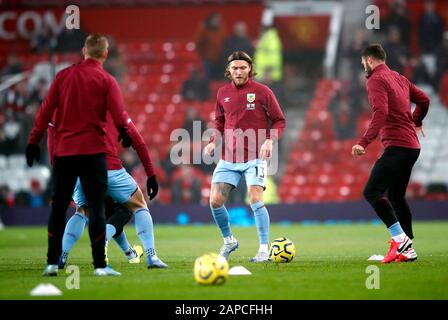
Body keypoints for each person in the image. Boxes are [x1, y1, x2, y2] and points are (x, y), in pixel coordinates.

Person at [26, 33, 133, 276]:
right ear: (105, 54)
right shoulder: (107, 81)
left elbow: (44, 112)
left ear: (84, 51)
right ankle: (100, 266)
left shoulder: (63, 76)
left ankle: (52, 263)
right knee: (96, 208)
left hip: (64, 152)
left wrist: (34, 141)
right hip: (93, 152)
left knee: (59, 207)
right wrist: (125, 134)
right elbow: (118, 115)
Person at [203, 51, 286, 262]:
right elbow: (219, 121)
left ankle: (263, 250)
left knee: (256, 198)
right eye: (235, 68)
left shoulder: (263, 92)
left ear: (250, 68)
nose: (239, 71)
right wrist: (213, 141)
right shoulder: (222, 93)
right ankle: (229, 240)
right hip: (229, 158)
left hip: (255, 157)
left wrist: (269, 140)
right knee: (215, 201)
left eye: (242, 67)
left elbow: (279, 120)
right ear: (229, 71)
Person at [57, 113, 167, 270]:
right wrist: (151, 175)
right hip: (109, 168)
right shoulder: (113, 109)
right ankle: (151, 256)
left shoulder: (76, 110)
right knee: (138, 205)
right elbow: (140, 143)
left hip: (79, 171)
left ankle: (61, 256)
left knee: (82, 211)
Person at [352, 44, 430, 264]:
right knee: (396, 197)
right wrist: (416, 121)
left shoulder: (376, 79)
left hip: (398, 146)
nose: (363, 67)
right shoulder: (398, 77)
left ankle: (401, 242)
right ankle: (407, 248)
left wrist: (364, 142)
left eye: (362, 62)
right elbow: (424, 100)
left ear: (369, 60)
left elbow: (381, 112)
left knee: (372, 192)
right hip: (412, 147)